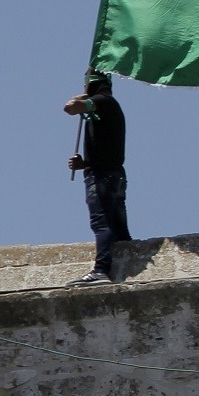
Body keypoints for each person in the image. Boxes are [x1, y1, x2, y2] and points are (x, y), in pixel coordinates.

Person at [63, 71, 130, 285]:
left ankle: (101, 270)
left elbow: (70, 108)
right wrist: (84, 164)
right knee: (119, 230)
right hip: (114, 175)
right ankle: (129, 263)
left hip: (102, 178)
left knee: (100, 223)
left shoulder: (102, 102)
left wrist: (82, 96)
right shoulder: (109, 107)